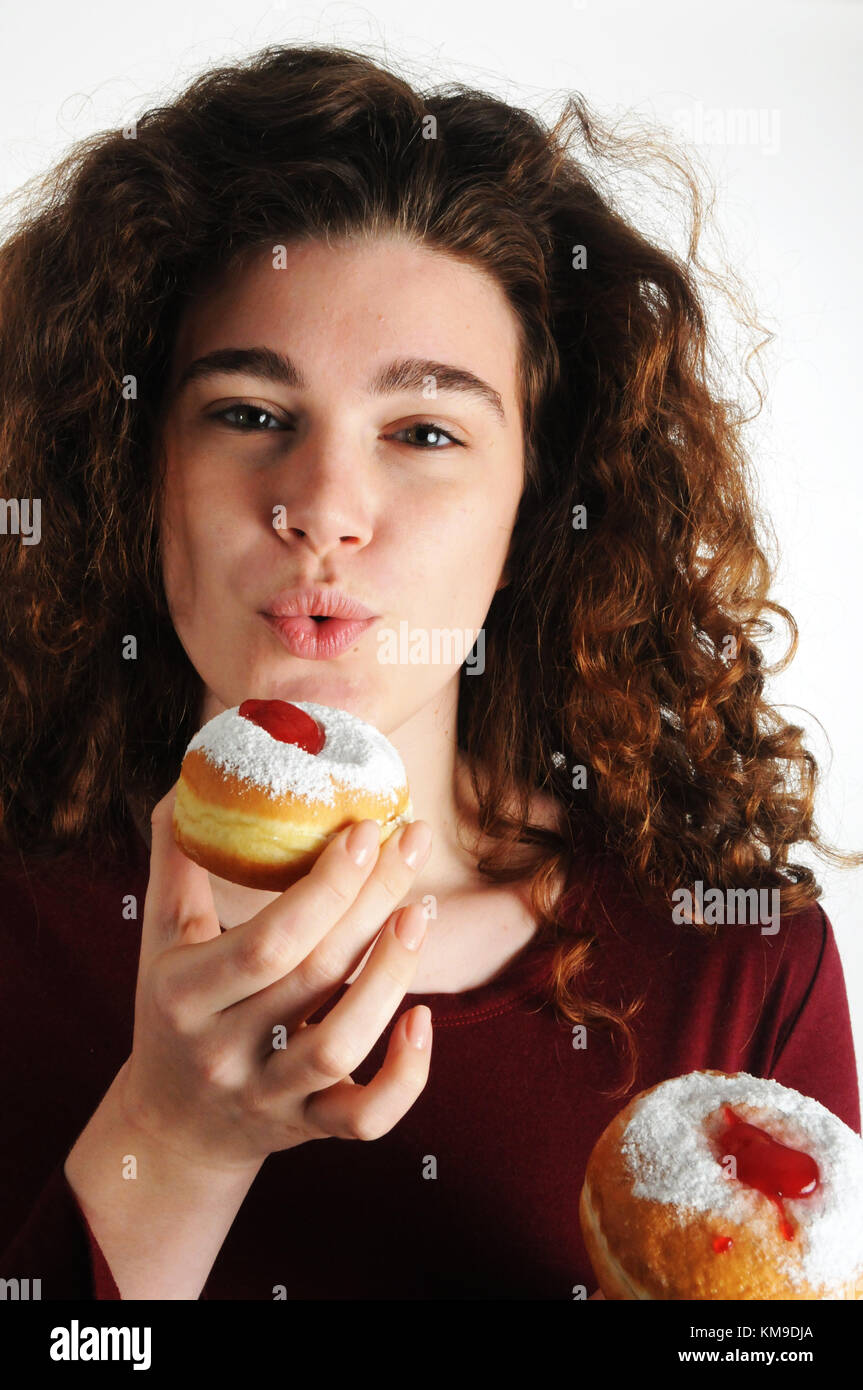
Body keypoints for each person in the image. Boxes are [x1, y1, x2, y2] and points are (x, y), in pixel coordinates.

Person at [0, 43, 859, 1301]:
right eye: (247, 412)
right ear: (139, 473)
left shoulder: (732, 967)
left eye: (423, 431)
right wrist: (172, 1143)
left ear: (534, 512)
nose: (323, 509)